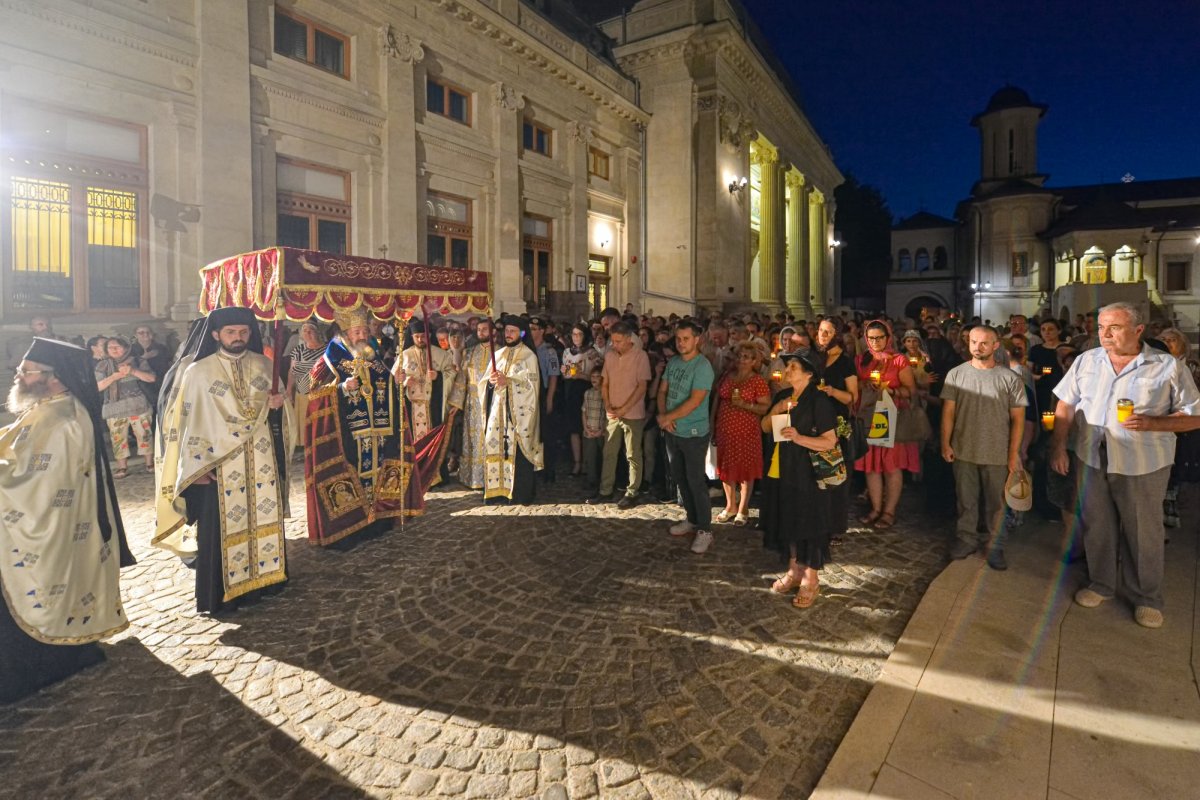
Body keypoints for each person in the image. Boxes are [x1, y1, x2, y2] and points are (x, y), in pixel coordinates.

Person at [1050, 303, 1200, 628]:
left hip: (1142, 462)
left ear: (1137, 330)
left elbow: (1194, 416)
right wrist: (1059, 446)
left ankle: (1146, 597)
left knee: (1142, 530)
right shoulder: (1087, 361)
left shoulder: (1166, 367)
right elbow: (1065, 404)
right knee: (1097, 523)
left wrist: (1154, 423)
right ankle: (1101, 584)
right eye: (1101, 327)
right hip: (1091, 456)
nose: (1105, 334)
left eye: (1114, 327)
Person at [1, 338, 132, 703]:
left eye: (28, 372)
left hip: (56, 523)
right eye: (21, 370)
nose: (20, 376)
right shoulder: (49, 408)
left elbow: (33, 480)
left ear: (55, 377)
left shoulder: (61, 420)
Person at [154, 308, 290, 614]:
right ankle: (224, 592)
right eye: (231, 332)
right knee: (221, 528)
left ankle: (267, 581)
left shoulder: (264, 365)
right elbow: (186, 422)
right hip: (218, 464)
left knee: (263, 517)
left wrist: (280, 404)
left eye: (243, 332)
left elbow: (279, 412)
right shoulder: (198, 372)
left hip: (261, 458)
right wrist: (194, 467)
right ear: (216, 334)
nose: (238, 338)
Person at [305, 308, 418, 547]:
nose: (363, 336)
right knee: (351, 475)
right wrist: (341, 388)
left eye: (364, 331)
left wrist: (395, 382)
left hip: (377, 432)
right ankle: (350, 525)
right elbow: (313, 394)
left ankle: (376, 520)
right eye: (357, 332)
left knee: (376, 473)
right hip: (346, 434)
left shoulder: (371, 356)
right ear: (346, 333)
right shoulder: (329, 360)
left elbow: (384, 383)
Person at [940, 326, 1027, 570]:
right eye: (973, 342)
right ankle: (966, 538)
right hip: (964, 448)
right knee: (965, 499)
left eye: (984, 343)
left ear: (995, 345)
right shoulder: (956, 374)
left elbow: (1018, 419)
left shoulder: (1010, 378)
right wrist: (945, 443)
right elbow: (948, 412)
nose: (977, 347)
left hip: (997, 452)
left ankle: (994, 545)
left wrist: (1013, 454)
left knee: (996, 503)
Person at [760, 353, 839, 608]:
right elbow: (765, 426)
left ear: (809, 373)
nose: (787, 370)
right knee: (788, 519)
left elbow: (830, 441)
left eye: (793, 367)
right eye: (787, 366)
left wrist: (799, 438)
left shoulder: (819, 400)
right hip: (782, 469)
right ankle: (794, 571)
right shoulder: (784, 396)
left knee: (810, 523)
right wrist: (777, 409)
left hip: (809, 473)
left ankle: (810, 580)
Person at [658, 321, 716, 553]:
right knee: (680, 477)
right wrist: (664, 415)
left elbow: (695, 401)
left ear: (696, 339)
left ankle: (705, 529)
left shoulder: (703, 366)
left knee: (695, 480)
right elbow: (663, 391)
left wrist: (667, 417)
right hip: (673, 430)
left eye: (686, 339)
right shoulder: (673, 362)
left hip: (693, 433)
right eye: (678, 339)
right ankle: (692, 519)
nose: (681, 343)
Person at [855, 320, 920, 529]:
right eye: (871, 338)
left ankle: (889, 511)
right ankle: (875, 508)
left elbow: (910, 391)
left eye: (879, 338)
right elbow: (853, 385)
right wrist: (863, 383)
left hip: (891, 414)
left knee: (891, 465)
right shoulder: (862, 360)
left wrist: (891, 390)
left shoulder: (899, 360)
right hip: (869, 415)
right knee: (871, 465)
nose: (875, 342)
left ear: (888, 338)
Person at [589, 321, 651, 509]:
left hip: (633, 413)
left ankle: (632, 492)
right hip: (612, 413)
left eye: (618, 341)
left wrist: (624, 409)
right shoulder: (610, 356)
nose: (615, 345)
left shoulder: (640, 356)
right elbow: (605, 383)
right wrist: (608, 404)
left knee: (632, 454)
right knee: (609, 452)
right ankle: (605, 490)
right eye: (613, 341)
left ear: (629, 338)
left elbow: (642, 386)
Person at [481, 315, 543, 503]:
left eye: (512, 331)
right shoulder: (498, 354)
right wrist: (491, 383)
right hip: (497, 413)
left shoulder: (529, 356)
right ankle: (496, 492)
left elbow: (532, 388)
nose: (508, 334)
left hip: (518, 417)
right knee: (493, 445)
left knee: (517, 453)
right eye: (507, 331)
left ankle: (518, 494)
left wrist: (508, 381)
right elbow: (485, 383)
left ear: (521, 333)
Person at [711, 341, 770, 524]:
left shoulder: (757, 380)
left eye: (746, 357)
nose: (741, 360)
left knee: (745, 471)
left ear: (753, 361)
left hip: (746, 432)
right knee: (726, 468)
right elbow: (718, 399)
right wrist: (712, 424)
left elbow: (765, 407)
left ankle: (743, 508)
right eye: (739, 356)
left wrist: (744, 404)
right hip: (724, 430)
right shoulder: (728, 375)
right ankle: (730, 506)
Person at [815, 317, 860, 542]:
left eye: (828, 331)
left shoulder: (845, 362)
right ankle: (819, 521)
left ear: (837, 335)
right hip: (817, 423)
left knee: (837, 477)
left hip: (837, 424)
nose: (822, 335)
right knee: (819, 475)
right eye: (820, 330)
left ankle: (836, 526)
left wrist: (832, 391)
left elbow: (853, 397)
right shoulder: (817, 358)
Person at [94, 336, 156, 478]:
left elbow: (151, 378)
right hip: (114, 409)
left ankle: (149, 463)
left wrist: (132, 371)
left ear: (126, 348)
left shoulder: (138, 361)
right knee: (118, 439)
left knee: (144, 435)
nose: (114, 349)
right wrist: (113, 377)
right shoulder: (102, 366)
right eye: (110, 347)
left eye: (117, 346)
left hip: (139, 406)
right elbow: (97, 387)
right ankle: (122, 467)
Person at [449, 318, 496, 491]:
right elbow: (462, 378)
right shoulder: (469, 353)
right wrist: (456, 403)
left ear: (493, 332)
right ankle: (473, 477)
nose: (481, 332)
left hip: (493, 401)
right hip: (472, 403)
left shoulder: (500, 352)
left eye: (485, 329)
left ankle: (491, 477)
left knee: (490, 438)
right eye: (479, 330)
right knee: (472, 440)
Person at [400, 319, 456, 441]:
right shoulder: (404, 355)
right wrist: (404, 382)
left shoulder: (442, 354)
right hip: (411, 406)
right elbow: (394, 378)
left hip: (433, 405)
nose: (420, 339)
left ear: (429, 335)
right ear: (412, 337)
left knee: (433, 441)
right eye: (417, 336)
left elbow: (452, 374)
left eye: (423, 336)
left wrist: (439, 376)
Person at [560, 323, 601, 477]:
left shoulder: (591, 352)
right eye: (574, 334)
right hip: (571, 391)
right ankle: (577, 462)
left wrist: (581, 375)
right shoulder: (566, 352)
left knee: (587, 425)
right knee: (573, 427)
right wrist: (565, 372)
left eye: (579, 334)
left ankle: (588, 462)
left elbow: (598, 374)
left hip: (586, 390)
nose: (576, 337)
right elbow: (565, 373)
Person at [528, 316, 561, 482]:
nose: (531, 332)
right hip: (529, 394)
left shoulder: (549, 351)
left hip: (544, 392)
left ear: (542, 331)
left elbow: (553, 376)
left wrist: (549, 399)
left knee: (546, 434)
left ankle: (548, 469)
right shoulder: (526, 349)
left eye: (534, 329)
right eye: (529, 329)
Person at [285, 321, 326, 447]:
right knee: (304, 420)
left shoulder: (326, 349)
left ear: (317, 332)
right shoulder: (298, 350)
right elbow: (292, 371)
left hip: (321, 393)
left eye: (310, 330)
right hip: (302, 393)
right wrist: (289, 389)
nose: (307, 333)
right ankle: (306, 444)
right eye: (304, 331)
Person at [580, 368, 605, 489]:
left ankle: (603, 480)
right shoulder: (587, 393)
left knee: (603, 456)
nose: (594, 379)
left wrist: (602, 429)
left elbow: (606, 413)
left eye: (597, 376)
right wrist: (586, 427)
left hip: (602, 431)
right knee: (590, 456)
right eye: (592, 376)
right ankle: (591, 480)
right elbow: (584, 411)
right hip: (589, 430)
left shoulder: (605, 393)